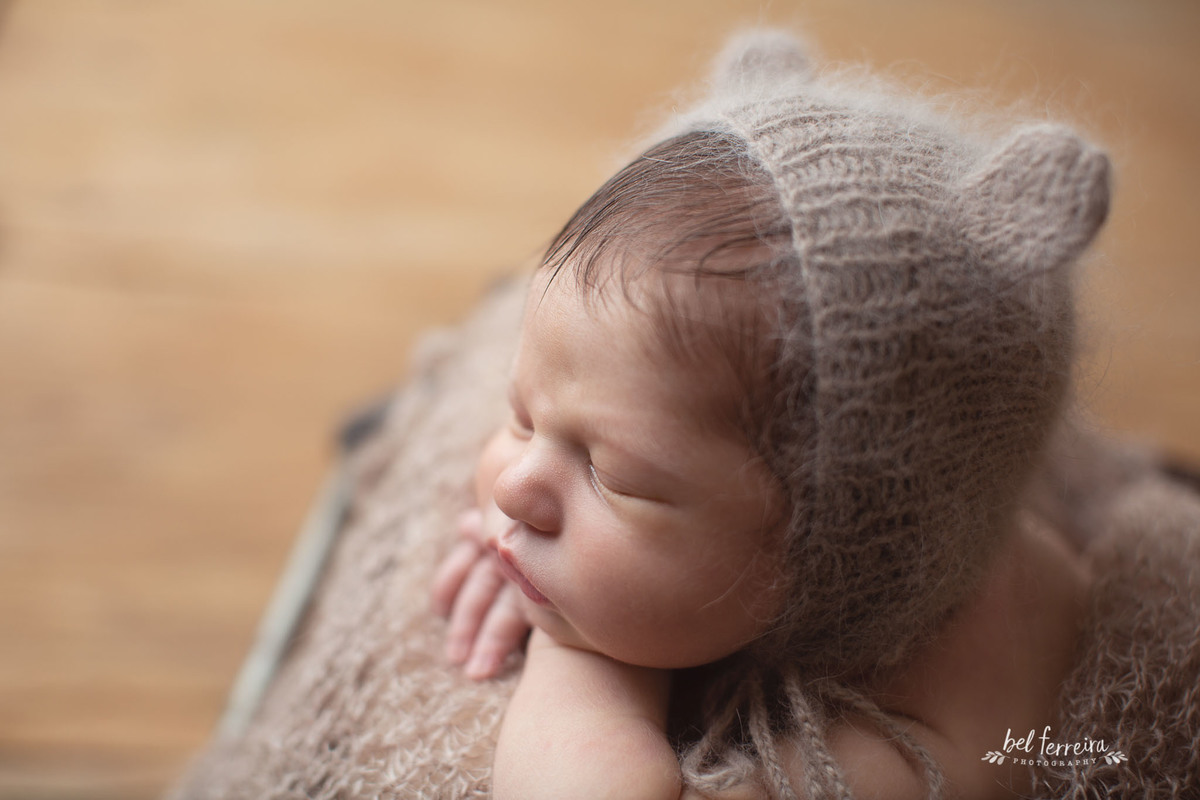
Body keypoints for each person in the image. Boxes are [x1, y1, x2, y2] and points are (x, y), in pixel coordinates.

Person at [431, 29, 1116, 799]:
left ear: (833, 552)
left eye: (611, 473)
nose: (514, 487)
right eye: (521, 415)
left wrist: (582, 659)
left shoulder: (944, 716)